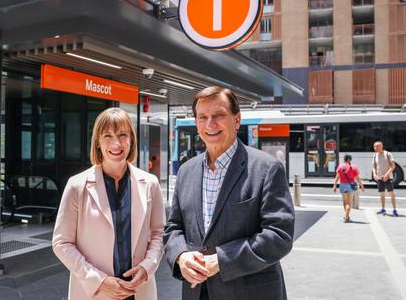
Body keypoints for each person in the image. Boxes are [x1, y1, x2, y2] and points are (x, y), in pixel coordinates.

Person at [163, 86, 295, 300]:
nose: (210, 124)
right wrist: (181, 255)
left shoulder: (267, 168)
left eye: (219, 115)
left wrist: (223, 260)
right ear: (196, 122)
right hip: (196, 292)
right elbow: (173, 228)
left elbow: (279, 235)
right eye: (203, 117)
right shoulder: (187, 171)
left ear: (237, 119)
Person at [52, 108, 165, 300]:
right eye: (107, 136)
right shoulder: (76, 185)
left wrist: (147, 268)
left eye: (122, 135)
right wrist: (99, 281)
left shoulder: (150, 183)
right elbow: (62, 243)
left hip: (138, 290)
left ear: (131, 139)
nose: (116, 143)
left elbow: (159, 233)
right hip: (95, 292)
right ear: (97, 142)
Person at [333, 155, 365, 223]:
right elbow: (357, 178)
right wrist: (362, 186)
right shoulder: (354, 167)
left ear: (344, 159)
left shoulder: (340, 167)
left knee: (345, 202)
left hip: (342, 185)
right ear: (350, 159)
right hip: (351, 186)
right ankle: (347, 216)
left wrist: (334, 186)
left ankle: (346, 216)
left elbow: (337, 177)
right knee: (349, 203)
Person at [372, 141, 398, 216]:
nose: (375, 148)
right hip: (379, 177)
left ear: (381, 146)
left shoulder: (387, 154)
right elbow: (374, 166)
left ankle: (394, 210)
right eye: (374, 146)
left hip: (388, 177)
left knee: (391, 193)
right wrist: (374, 174)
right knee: (382, 194)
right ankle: (383, 209)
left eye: (376, 146)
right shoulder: (375, 155)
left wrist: (387, 174)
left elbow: (393, 166)